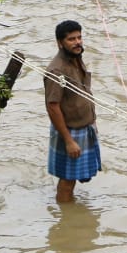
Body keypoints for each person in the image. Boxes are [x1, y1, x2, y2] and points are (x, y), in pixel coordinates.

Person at [44, 20, 101, 202]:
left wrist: (92, 122)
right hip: (70, 131)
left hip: (84, 128)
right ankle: (65, 218)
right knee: (67, 179)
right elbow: (52, 107)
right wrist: (68, 141)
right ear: (60, 43)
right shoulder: (56, 70)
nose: (77, 42)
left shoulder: (76, 58)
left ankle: (69, 210)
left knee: (75, 177)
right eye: (71, 39)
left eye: (79, 37)